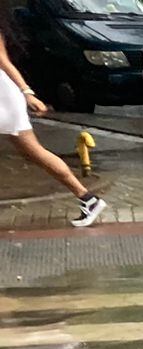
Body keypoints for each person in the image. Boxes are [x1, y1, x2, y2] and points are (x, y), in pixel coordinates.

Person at [0, 30, 106, 228]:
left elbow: (4, 62)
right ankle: (88, 198)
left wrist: (27, 92)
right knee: (34, 153)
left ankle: (89, 199)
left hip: (3, 99)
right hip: (5, 99)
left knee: (36, 152)